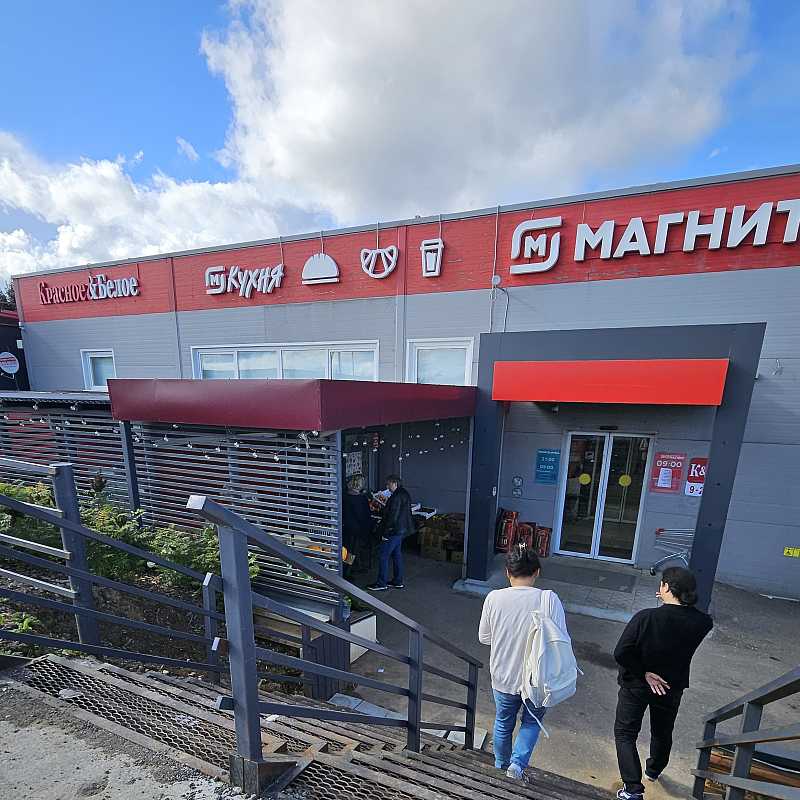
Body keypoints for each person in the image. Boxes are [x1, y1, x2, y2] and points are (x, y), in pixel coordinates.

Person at [613, 566, 713, 800]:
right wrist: (671, 602)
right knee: (662, 731)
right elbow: (687, 618)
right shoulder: (702, 623)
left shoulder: (646, 617)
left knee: (625, 733)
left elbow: (621, 652)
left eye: (662, 584)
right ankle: (654, 770)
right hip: (671, 686)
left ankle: (632, 788)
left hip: (637, 684)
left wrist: (644, 673)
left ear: (666, 587)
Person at [478, 546, 569, 780]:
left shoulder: (494, 598)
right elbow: (560, 639)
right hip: (538, 679)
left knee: (503, 721)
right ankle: (516, 766)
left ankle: (501, 765)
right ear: (537, 572)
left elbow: (484, 638)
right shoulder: (549, 599)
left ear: (508, 572)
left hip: (503, 675)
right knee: (532, 721)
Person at [367, 474, 414, 591]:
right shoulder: (404, 493)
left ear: (394, 483)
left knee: (383, 556)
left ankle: (381, 583)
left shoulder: (396, 497)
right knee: (396, 555)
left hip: (394, 531)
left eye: (388, 484)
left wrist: (385, 533)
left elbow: (392, 517)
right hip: (401, 530)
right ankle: (398, 581)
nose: (387, 487)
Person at [342, 475, 372, 577]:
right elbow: (364, 516)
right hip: (357, 529)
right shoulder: (361, 499)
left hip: (347, 527)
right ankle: (347, 571)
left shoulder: (345, 496)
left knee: (349, 549)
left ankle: (352, 567)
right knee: (353, 551)